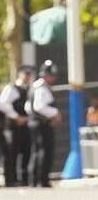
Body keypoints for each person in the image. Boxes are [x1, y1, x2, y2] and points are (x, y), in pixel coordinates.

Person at [28, 60, 61, 188]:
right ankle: (42, 180)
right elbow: (39, 106)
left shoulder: (35, 87)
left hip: (36, 123)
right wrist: (55, 113)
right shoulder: (42, 88)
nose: (53, 78)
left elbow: (28, 107)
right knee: (44, 151)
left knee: (36, 151)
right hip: (42, 124)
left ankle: (35, 180)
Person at [1, 66, 34, 187]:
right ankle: (11, 179)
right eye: (25, 74)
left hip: (26, 125)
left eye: (29, 74)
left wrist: (26, 118)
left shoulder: (31, 89)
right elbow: (4, 105)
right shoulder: (11, 88)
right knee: (12, 153)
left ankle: (25, 179)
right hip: (13, 126)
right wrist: (16, 117)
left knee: (27, 152)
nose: (27, 77)